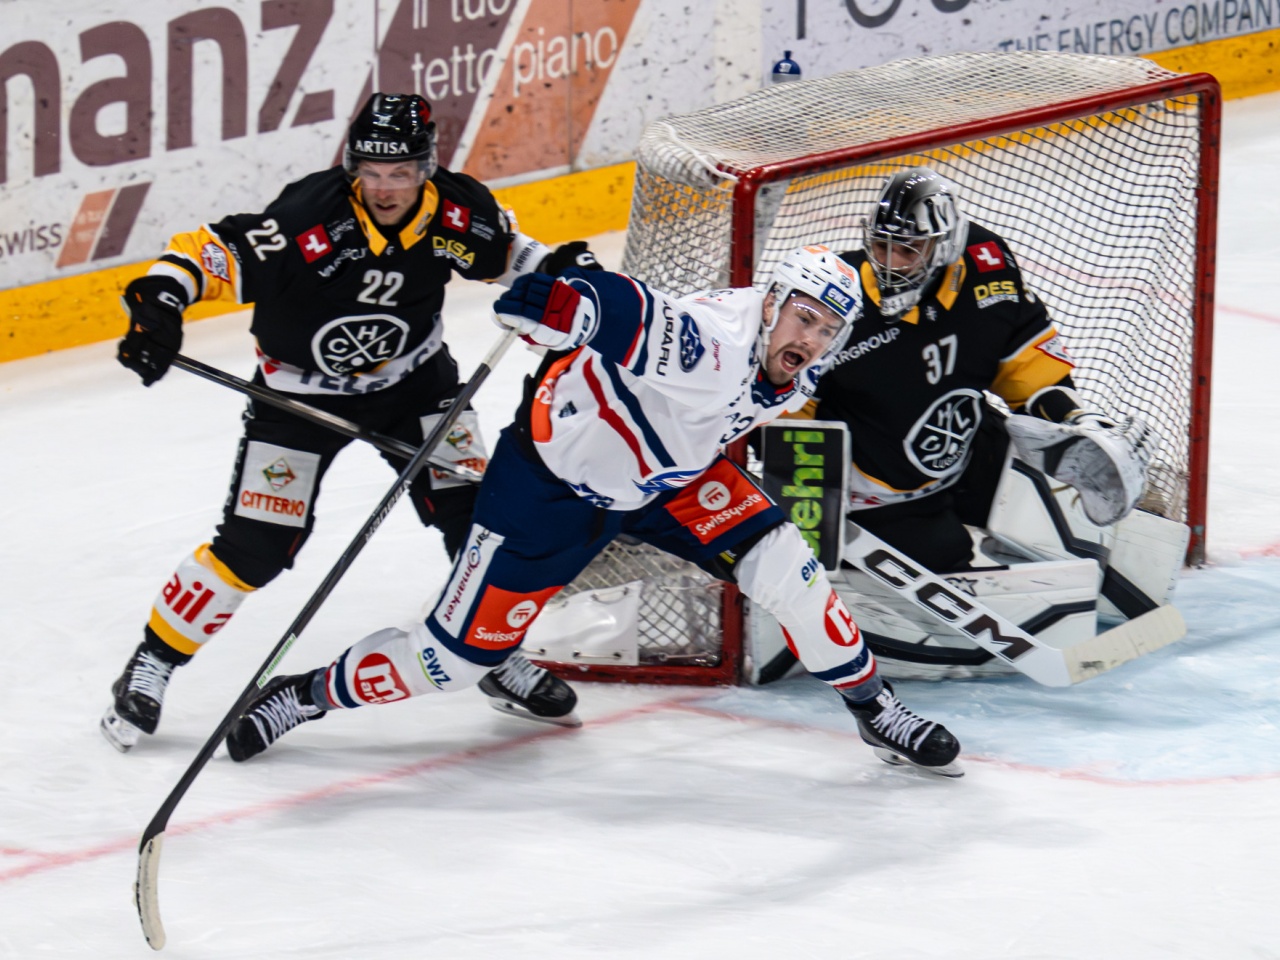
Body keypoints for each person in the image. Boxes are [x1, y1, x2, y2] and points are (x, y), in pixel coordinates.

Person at [220, 245, 964, 777]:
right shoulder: (711, 346)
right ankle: (305, 695)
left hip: (670, 481)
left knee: (790, 572)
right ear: (771, 302)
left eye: (827, 329)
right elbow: (631, 311)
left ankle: (875, 711)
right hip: (549, 490)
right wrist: (569, 304)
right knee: (451, 661)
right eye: (802, 317)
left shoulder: (799, 363)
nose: (810, 339)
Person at [102, 93, 599, 752]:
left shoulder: (457, 211)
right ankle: (153, 662)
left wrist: (566, 274)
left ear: (425, 168)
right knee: (254, 546)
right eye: (371, 171)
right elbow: (211, 252)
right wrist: (161, 302)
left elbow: (516, 256)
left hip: (417, 388)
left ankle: (491, 653)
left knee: (479, 520)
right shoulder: (309, 217)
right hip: (299, 401)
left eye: (400, 172)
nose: (385, 187)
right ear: (351, 167)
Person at [795, 166, 1155, 672]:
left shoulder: (988, 270)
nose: (891, 263)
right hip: (879, 498)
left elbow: (1024, 362)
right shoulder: (835, 299)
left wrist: (1076, 419)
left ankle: (1089, 546)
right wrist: (808, 532)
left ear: (944, 246)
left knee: (1067, 474)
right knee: (952, 580)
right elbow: (790, 421)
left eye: (908, 250)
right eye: (881, 246)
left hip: (967, 449)